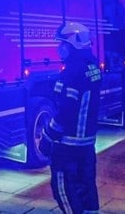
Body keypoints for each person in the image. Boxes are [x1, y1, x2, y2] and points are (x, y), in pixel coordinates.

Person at [41, 22, 102, 214]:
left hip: (68, 146)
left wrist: (47, 136)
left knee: (63, 189)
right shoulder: (92, 66)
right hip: (87, 145)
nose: (59, 49)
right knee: (86, 189)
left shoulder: (72, 72)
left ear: (73, 45)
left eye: (62, 44)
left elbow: (66, 111)